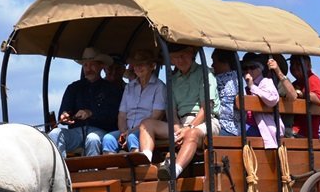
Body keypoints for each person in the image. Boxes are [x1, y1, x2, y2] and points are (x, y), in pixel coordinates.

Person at [138, 43, 219, 180]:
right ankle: (145, 165)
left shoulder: (205, 73)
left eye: (182, 56)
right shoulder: (173, 80)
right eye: (175, 57)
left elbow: (206, 108)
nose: (179, 61)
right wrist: (177, 129)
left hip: (206, 122)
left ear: (191, 53)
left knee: (192, 134)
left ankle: (173, 171)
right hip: (180, 124)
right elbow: (171, 111)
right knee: (147, 124)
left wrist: (188, 128)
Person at [47, 47, 123, 157]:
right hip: (76, 132)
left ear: (101, 66)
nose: (88, 69)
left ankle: (92, 173)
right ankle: (62, 172)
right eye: (85, 65)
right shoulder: (73, 88)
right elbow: (63, 115)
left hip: (101, 132)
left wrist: (91, 113)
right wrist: (65, 116)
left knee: (92, 139)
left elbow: (113, 116)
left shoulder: (111, 89)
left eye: (92, 65)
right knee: (55, 134)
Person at [102, 49, 166, 153]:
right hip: (127, 130)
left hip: (146, 131)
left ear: (152, 66)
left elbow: (156, 116)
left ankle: (137, 166)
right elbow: (122, 115)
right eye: (136, 65)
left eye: (142, 64)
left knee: (132, 137)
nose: (138, 67)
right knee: (108, 139)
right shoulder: (129, 87)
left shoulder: (160, 87)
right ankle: (113, 168)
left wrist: (130, 132)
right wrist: (123, 133)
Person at [242, 53, 283, 148]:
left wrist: (252, 86)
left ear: (260, 69)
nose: (248, 71)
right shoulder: (245, 88)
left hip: (264, 128)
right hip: (250, 126)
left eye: (252, 67)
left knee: (238, 132)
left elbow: (272, 99)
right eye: (245, 68)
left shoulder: (266, 82)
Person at [289, 55, 320, 139]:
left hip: (304, 134)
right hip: (295, 131)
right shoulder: (295, 83)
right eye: (292, 64)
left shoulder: (312, 79)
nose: (294, 67)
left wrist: (301, 94)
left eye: (298, 64)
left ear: (309, 66)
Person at [212, 49, 241, 136]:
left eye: (215, 61)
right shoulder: (237, 78)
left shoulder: (219, 80)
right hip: (238, 128)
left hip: (225, 128)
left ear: (225, 62)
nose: (212, 65)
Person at [267, 54, 298, 137]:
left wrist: (278, 71)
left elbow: (293, 96)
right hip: (267, 127)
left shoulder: (282, 83)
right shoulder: (262, 82)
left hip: (283, 129)